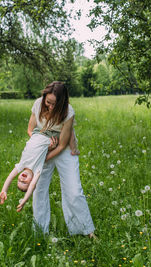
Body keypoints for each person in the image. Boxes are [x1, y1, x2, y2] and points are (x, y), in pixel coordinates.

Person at [26, 81, 95, 237]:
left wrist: (46, 157)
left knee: (74, 191)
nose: (50, 107)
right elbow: (30, 130)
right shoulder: (38, 104)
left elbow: (62, 145)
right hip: (43, 146)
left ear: (62, 103)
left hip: (64, 150)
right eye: (48, 102)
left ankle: (85, 231)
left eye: (54, 104)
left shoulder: (68, 112)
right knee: (39, 190)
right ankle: (40, 233)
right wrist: (41, 145)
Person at [0, 126, 79, 211]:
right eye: (24, 183)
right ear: (31, 181)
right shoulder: (37, 170)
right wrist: (25, 199)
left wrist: (4, 190)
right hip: (50, 136)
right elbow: (32, 186)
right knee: (63, 126)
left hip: (38, 131)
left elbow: (10, 176)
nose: (22, 179)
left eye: (19, 180)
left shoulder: (21, 165)